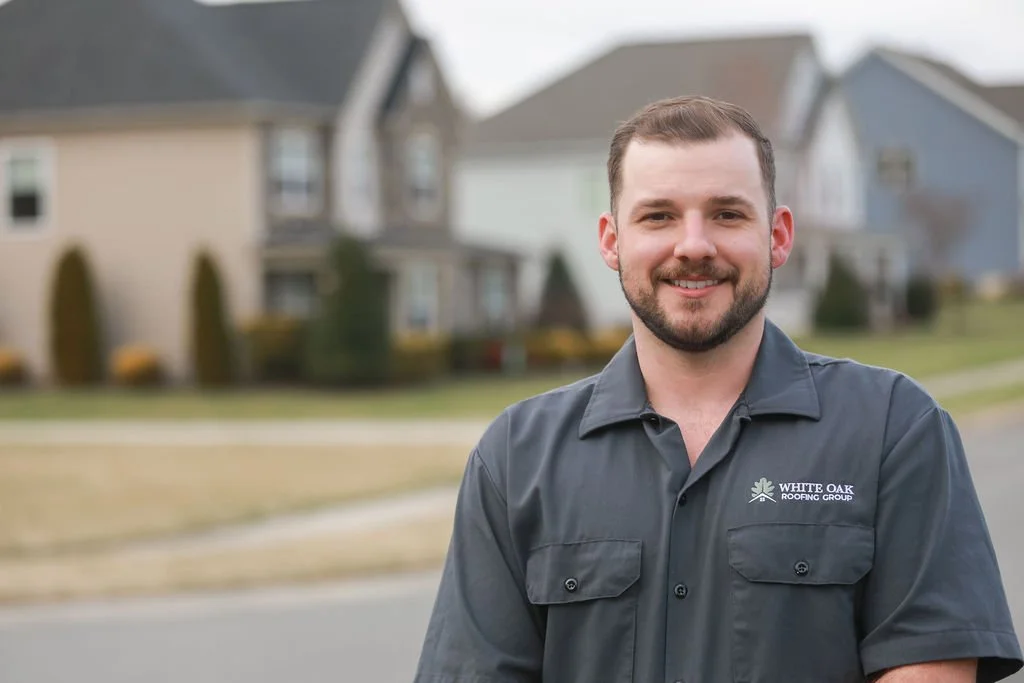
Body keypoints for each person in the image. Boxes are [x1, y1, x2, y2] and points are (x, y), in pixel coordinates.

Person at [412, 96, 1023, 682]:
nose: (694, 245)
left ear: (779, 235)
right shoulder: (517, 458)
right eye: (659, 216)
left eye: (727, 213)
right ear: (610, 239)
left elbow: (931, 667)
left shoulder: (893, 428)